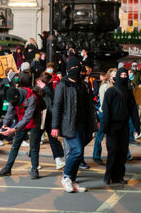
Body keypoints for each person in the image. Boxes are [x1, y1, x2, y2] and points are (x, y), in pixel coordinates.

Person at [51, 57, 96, 193]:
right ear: (69, 69)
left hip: (83, 123)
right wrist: (55, 126)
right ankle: (66, 177)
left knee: (79, 153)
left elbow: (89, 106)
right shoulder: (62, 85)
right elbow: (57, 106)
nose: (77, 70)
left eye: (78, 67)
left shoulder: (83, 84)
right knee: (77, 151)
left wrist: (94, 123)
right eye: (74, 68)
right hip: (69, 124)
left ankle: (73, 180)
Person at [0, 81, 42, 179]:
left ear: (17, 97)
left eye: (13, 102)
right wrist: (4, 125)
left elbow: (28, 117)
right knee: (15, 145)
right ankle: (8, 168)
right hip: (22, 122)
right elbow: (9, 113)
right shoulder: (13, 98)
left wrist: (14, 129)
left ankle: (34, 169)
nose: (12, 103)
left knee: (34, 146)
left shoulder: (31, 98)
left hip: (34, 122)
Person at [102, 67, 140, 185]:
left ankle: (119, 176)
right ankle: (108, 176)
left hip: (124, 127)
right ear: (117, 77)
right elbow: (106, 110)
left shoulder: (129, 92)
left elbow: (133, 109)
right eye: (122, 75)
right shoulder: (110, 92)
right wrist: (105, 127)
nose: (124, 77)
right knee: (112, 152)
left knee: (122, 153)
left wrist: (137, 126)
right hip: (112, 127)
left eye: (125, 75)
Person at [36, 72, 65, 170]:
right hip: (45, 117)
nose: (53, 81)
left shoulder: (44, 89)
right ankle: (35, 163)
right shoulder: (46, 90)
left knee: (48, 139)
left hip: (44, 117)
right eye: (51, 80)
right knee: (44, 140)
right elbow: (55, 98)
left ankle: (57, 160)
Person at [93, 69, 116, 165]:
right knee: (100, 135)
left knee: (116, 135)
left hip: (114, 115)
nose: (116, 77)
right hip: (105, 114)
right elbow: (103, 104)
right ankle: (96, 156)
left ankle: (125, 155)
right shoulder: (104, 87)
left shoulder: (116, 86)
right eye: (115, 75)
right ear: (110, 76)